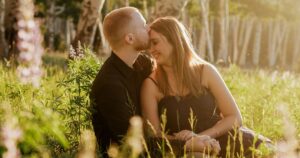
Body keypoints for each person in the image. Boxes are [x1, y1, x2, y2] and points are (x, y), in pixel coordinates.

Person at [141, 17, 272, 157]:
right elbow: (154, 136)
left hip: (223, 138)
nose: (151, 49)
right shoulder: (151, 85)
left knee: (271, 152)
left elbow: (234, 117)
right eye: (149, 44)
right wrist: (191, 143)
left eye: (155, 43)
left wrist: (201, 137)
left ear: (174, 40)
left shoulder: (205, 71)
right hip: (187, 149)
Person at [89, 7, 154, 157]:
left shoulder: (143, 63)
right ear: (130, 39)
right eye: (144, 25)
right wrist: (184, 144)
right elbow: (134, 143)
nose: (149, 28)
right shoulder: (109, 85)